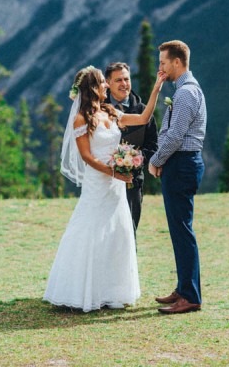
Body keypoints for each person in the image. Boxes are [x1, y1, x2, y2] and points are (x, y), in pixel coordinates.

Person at [43, 65, 165, 312]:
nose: (106, 86)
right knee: (89, 231)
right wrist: (114, 172)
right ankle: (79, 291)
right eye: (102, 83)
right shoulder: (82, 119)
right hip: (98, 184)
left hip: (116, 187)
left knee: (117, 234)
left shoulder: (111, 112)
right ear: (92, 88)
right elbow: (87, 157)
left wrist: (156, 88)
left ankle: (112, 292)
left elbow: (142, 119)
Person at [148, 40, 207, 314]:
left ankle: (191, 295)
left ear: (176, 62)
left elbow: (175, 135)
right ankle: (184, 288)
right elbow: (169, 131)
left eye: (162, 62)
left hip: (182, 164)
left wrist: (155, 160)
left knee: (182, 230)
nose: (160, 67)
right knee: (178, 229)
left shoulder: (186, 94)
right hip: (178, 162)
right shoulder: (182, 91)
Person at [104, 62, 158, 238]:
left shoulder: (142, 110)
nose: (124, 84)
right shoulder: (97, 109)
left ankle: (129, 266)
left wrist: (136, 158)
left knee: (129, 231)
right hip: (105, 180)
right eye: (118, 80)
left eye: (126, 79)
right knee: (105, 231)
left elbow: (152, 145)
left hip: (132, 182)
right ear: (107, 83)